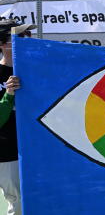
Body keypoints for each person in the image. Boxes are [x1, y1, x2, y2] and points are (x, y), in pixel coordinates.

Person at [0, 19, 35, 215]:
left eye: (27, 35)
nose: (26, 39)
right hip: (7, 151)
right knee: (19, 203)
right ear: (2, 44)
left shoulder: (33, 70)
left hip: (32, 149)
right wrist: (9, 94)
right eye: (20, 37)